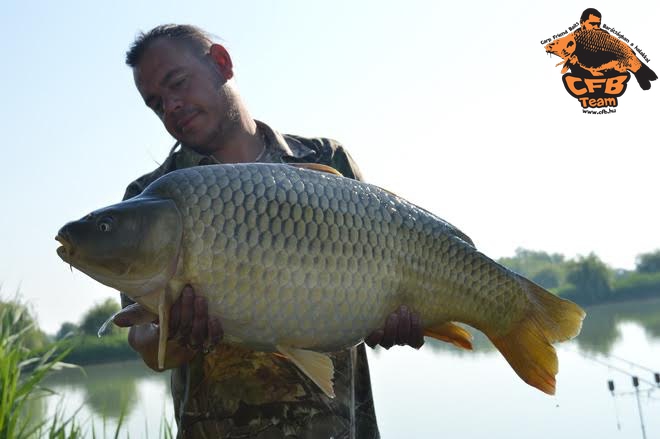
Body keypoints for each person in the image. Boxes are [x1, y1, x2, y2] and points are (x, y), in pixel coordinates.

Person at [114, 24, 425, 438]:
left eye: (178, 83)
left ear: (221, 63)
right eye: (155, 103)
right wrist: (179, 338)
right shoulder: (150, 201)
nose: (170, 106)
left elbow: (376, 292)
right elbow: (147, 345)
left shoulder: (324, 158)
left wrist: (393, 317)